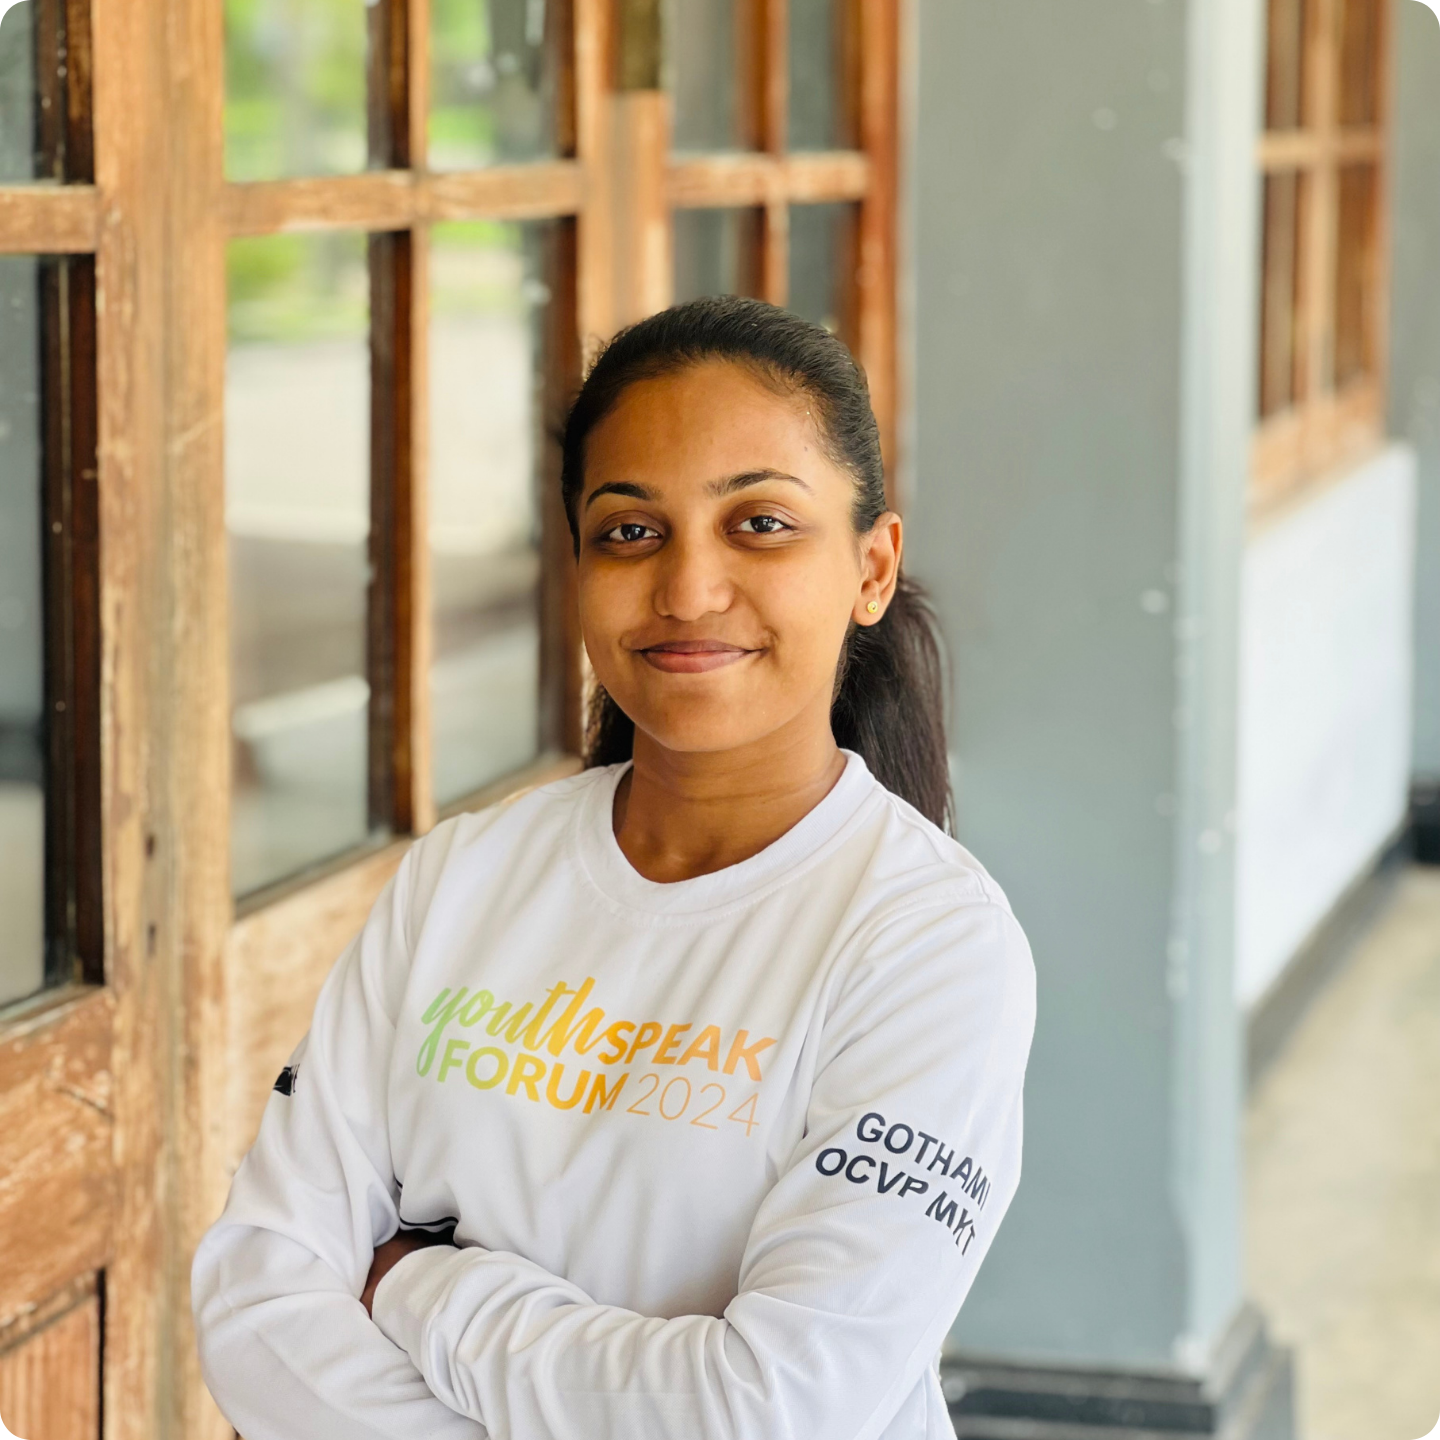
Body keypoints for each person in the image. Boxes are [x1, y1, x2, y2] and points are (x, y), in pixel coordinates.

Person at [192, 295, 1036, 1440]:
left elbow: (780, 1406)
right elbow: (258, 1293)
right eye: (631, 531)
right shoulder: (462, 879)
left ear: (872, 568)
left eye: (760, 524)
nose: (687, 590)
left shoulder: (929, 942)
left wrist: (420, 1285)